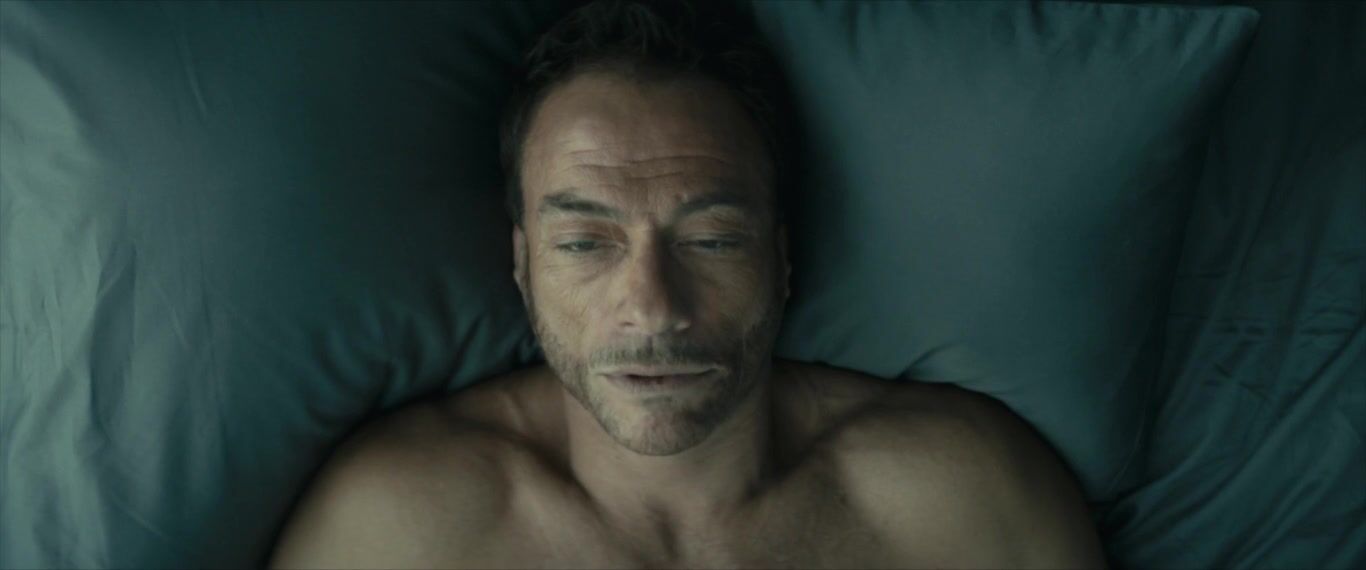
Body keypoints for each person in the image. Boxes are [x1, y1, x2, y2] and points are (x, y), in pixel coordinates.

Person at [269, 1, 1106, 567]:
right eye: (584, 242)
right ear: (522, 264)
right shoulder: (395, 528)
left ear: (780, 258)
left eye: (711, 239)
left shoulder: (965, 503)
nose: (653, 307)